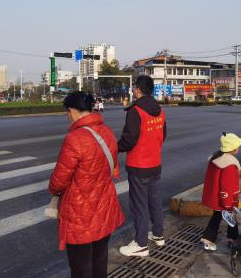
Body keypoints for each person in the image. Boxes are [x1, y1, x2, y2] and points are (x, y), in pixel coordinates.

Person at [48, 91, 124, 278]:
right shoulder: (106, 132)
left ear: (72, 111)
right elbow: (113, 167)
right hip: (104, 206)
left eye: (67, 112)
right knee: (99, 260)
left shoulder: (74, 139)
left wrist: (53, 189)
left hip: (80, 213)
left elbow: (58, 182)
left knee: (81, 267)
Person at [118, 75, 167, 257]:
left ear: (137, 89)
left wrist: (115, 148)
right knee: (154, 201)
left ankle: (141, 244)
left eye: (133, 87)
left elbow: (129, 140)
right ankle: (158, 234)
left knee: (139, 205)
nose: (132, 89)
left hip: (139, 165)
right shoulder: (159, 110)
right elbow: (163, 134)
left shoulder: (135, 111)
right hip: (155, 164)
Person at [201, 132, 241, 251]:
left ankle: (209, 239)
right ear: (234, 149)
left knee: (217, 217)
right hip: (226, 199)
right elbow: (227, 187)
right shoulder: (229, 165)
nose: (238, 148)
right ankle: (231, 239)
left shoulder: (216, 158)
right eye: (237, 146)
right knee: (232, 217)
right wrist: (228, 204)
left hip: (215, 197)